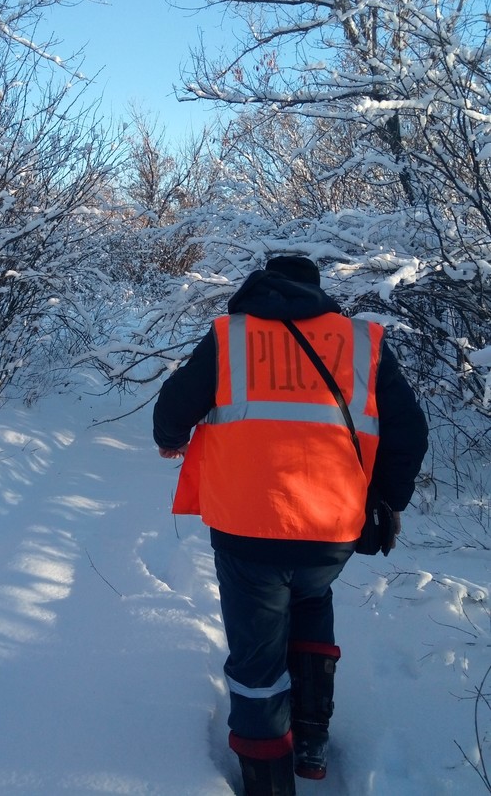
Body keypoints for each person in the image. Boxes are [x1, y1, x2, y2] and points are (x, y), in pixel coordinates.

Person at [153, 255, 428, 796]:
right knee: (309, 600)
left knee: (257, 659)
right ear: (317, 291)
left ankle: (268, 783)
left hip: (249, 531)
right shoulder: (361, 340)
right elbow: (410, 432)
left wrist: (170, 439)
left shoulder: (231, 336)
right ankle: (311, 743)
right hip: (331, 531)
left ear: (260, 286)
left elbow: (175, 405)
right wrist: (389, 499)